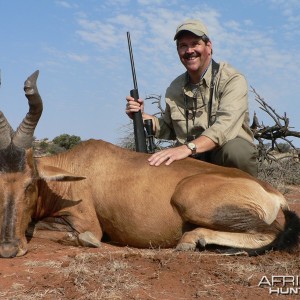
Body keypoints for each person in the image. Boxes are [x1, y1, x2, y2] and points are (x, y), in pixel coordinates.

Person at [125, 19, 258, 177]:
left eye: (195, 43)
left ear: (209, 46)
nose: (189, 50)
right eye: (183, 45)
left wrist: (187, 148)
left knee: (236, 151)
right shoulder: (175, 87)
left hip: (220, 154)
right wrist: (142, 117)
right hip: (191, 158)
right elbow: (169, 128)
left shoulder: (232, 79)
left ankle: (248, 196)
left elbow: (223, 129)